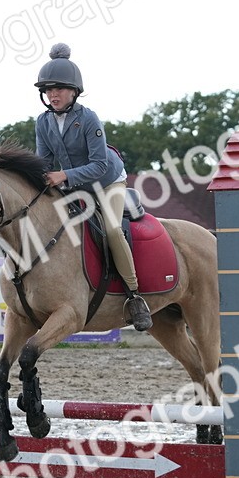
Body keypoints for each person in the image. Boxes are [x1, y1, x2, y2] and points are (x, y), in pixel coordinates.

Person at [33, 43, 153, 331]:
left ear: (74, 91)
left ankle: (135, 296)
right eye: (48, 89)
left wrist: (62, 177)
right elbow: (43, 164)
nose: (53, 94)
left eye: (59, 89)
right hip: (75, 186)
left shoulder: (88, 119)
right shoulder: (43, 122)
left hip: (108, 181)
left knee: (111, 228)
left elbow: (99, 165)